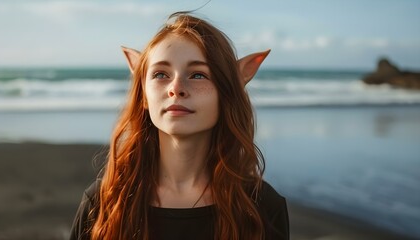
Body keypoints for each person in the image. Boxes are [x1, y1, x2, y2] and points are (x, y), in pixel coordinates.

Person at [70, 12, 289, 240]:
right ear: (144, 95)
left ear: (227, 94)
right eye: (160, 74)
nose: (176, 88)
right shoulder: (106, 201)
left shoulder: (261, 206)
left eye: (197, 75)